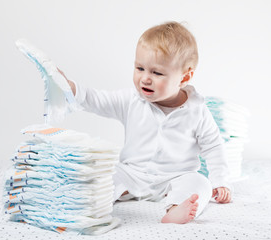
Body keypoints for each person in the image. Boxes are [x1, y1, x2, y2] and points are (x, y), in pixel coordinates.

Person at [60, 21, 232, 224]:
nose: (145, 79)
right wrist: (68, 86)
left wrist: (220, 181)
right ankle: (89, 204)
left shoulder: (197, 111)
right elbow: (96, 99)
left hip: (176, 176)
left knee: (200, 183)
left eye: (157, 73)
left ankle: (177, 208)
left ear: (185, 76)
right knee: (105, 175)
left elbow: (213, 146)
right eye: (140, 68)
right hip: (131, 173)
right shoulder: (131, 100)